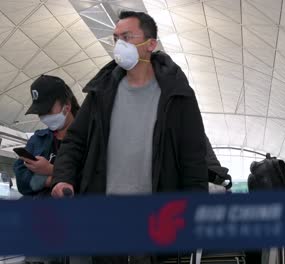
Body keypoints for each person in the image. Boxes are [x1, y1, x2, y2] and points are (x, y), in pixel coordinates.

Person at [50, 10, 207, 263]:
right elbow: (75, 141)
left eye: (127, 36)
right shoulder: (101, 92)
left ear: (151, 44)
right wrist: (63, 178)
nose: (119, 45)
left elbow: (193, 157)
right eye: (116, 38)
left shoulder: (178, 96)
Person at [13, 75, 79, 197]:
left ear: (67, 107)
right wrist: (47, 181)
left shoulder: (89, 136)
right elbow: (21, 178)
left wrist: (50, 170)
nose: (43, 117)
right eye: (40, 113)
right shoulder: (37, 139)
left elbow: (94, 177)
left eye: (47, 110)